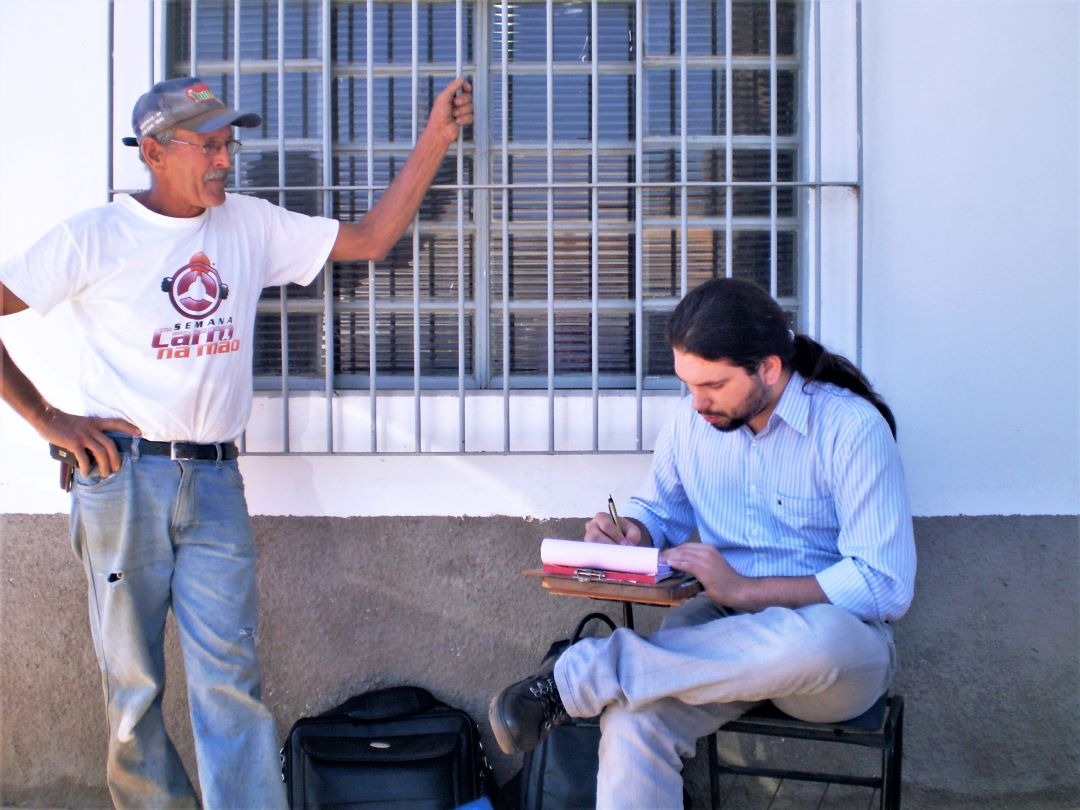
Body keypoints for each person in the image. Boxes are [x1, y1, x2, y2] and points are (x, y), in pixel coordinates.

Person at [0, 75, 472, 808]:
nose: (225, 160)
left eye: (229, 145)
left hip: (215, 482)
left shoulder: (248, 224)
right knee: (133, 687)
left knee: (232, 682)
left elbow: (372, 238)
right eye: (208, 146)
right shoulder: (95, 237)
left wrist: (436, 139)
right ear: (154, 152)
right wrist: (46, 417)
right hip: (123, 482)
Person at [488, 277, 916, 808]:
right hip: (716, 638)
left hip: (830, 659)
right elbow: (657, 512)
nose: (696, 403)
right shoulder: (692, 426)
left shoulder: (851, 429)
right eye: (688, 385)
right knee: (633, 719)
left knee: (818, 640)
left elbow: (884, 584)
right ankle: (599, 676)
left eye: (712, 385)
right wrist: (632, 533)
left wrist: (744, 590)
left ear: (768, 369)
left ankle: (586, 674)